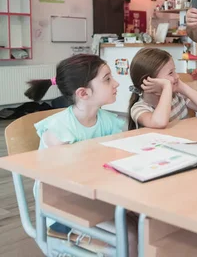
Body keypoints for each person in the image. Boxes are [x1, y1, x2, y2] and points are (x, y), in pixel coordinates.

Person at [24, 54, 137, 255]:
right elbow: (66, 182)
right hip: (63, 207)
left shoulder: (111, 122)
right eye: (107, 79)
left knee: (150, 224)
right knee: (131, 237)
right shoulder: (59, 130)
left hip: (96, 196)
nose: (116, 83)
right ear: (83, 93)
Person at [128, 48, 197, 130]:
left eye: (175, 71)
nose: (177, 76)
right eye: (171, 73)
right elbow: (160, 122)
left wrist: (181, 86)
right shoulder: (139, 108)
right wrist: (166, 86)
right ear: (149, 80)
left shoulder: (177, 97)